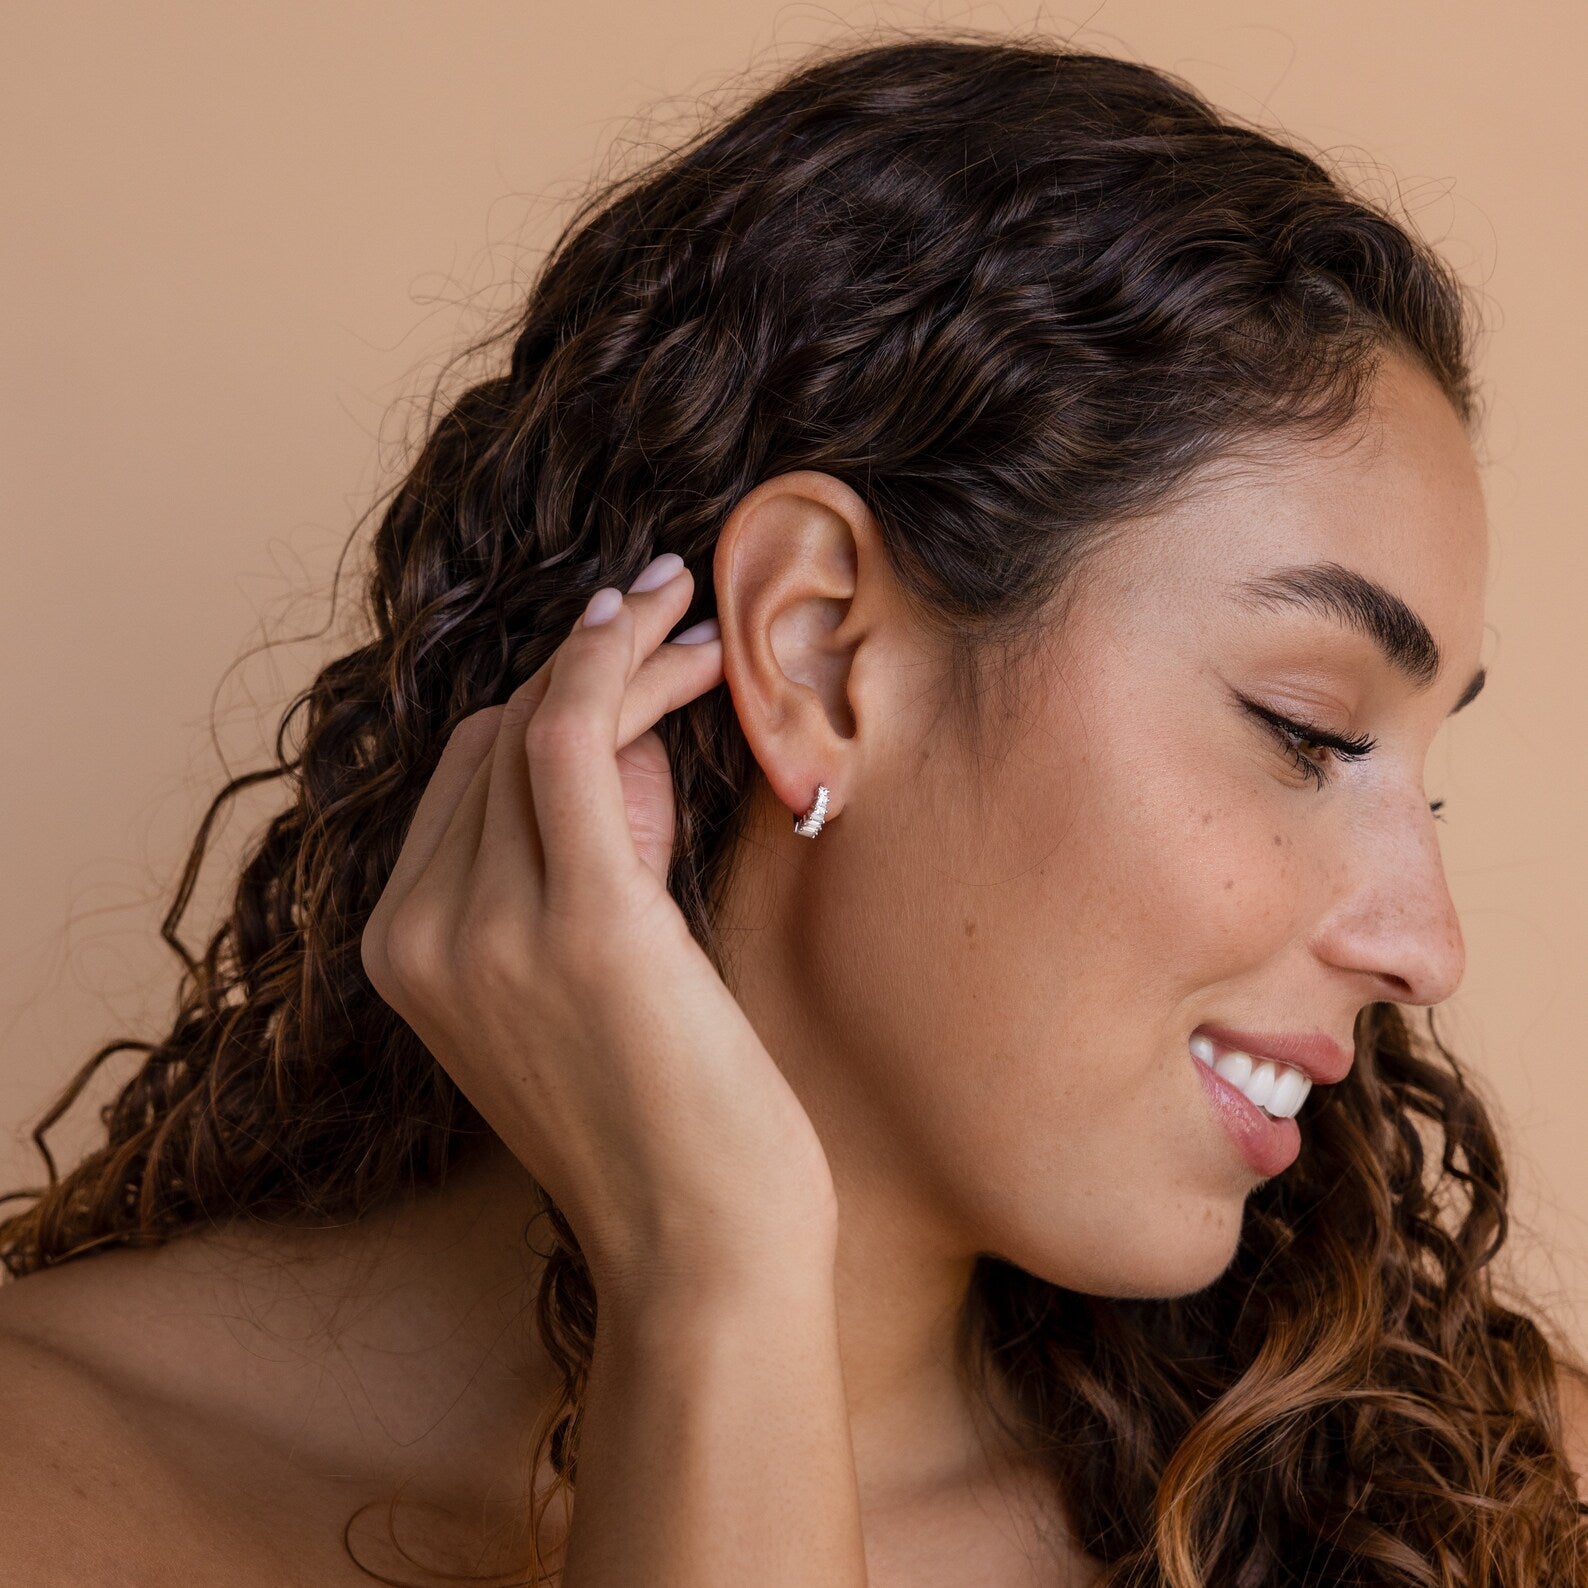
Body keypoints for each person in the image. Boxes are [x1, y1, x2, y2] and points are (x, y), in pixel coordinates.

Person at [1, 31, 1585, 1588]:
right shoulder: (46, 1492)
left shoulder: (1498, 1506)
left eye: (1424, 781)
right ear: (817, 651)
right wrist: (717, 1278)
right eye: (1307, 733)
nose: (1425, 945)